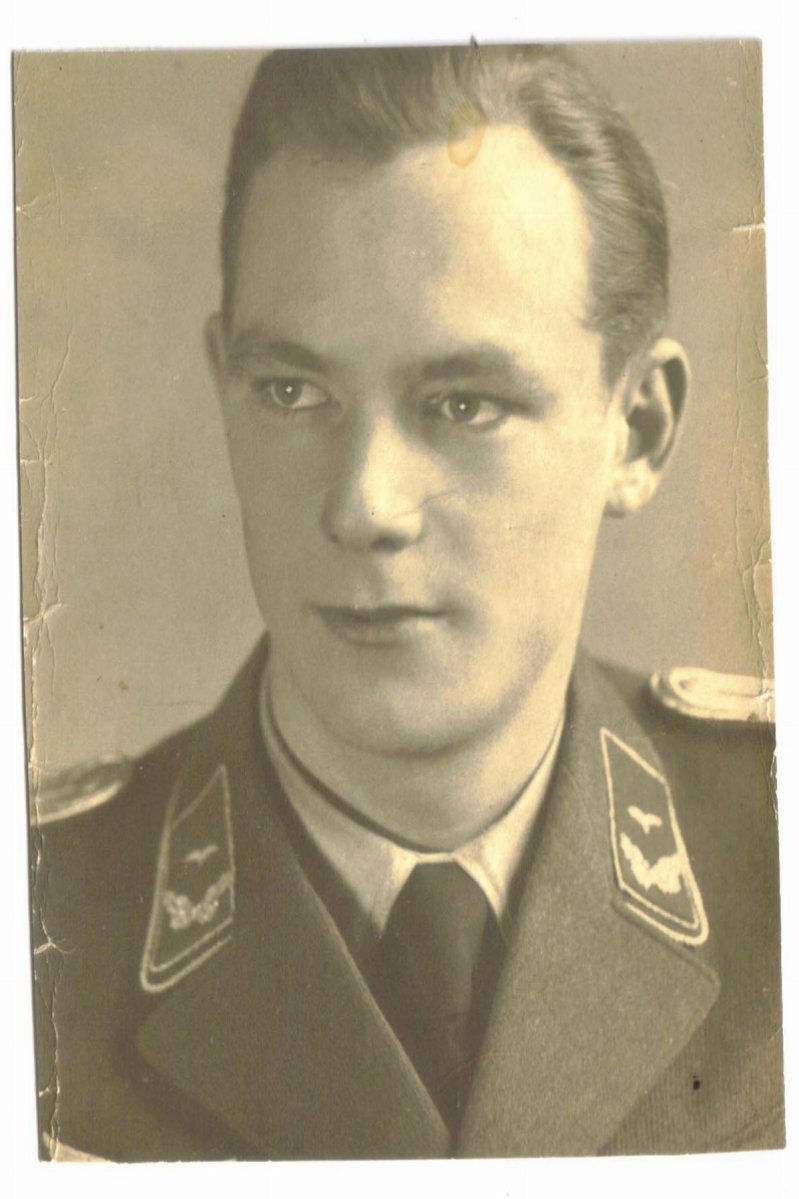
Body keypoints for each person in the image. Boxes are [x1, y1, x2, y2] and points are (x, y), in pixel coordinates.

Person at [31, 43, 783, 1161]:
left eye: (463, 403)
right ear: (225, 385)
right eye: (292, 391)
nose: (363, 505)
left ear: (636, 431)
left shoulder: (772, 852)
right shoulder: (43, 921)